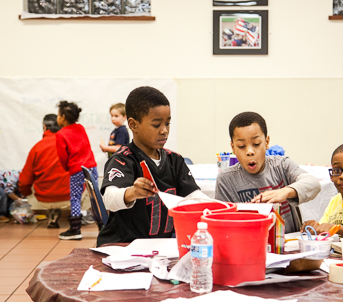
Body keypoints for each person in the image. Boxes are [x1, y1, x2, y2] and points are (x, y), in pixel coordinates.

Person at [97, 86, 209, 246]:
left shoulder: (174, 160)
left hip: (159, 247)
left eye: (168, 123)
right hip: (122, 246)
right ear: (133, 125)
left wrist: (218, 207)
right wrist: (132, 193)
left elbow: (194, 197)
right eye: (156, 125)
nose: (164, 130)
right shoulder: (123, 159)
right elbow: (109, 199)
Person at [215, 112, 321, 233]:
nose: (250, 152)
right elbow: (222, 223)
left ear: (266, 142)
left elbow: (313, 183)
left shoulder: (281, 165)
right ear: (233, 147)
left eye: (256, 144)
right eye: (241, 146)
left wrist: (285, 192)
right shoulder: (226, 179)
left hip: (288, 243)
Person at [19, 114, 71, 228]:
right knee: (88, 181)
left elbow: (25, 180)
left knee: (29, 183)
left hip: (44, 198)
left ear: (44, 126)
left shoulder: (37, 147)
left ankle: (52, 211)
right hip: (70, 196)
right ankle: (83, 215)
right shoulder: (70, 144)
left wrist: (26, 193)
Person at [55, 101, 98, 240]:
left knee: (75, 197)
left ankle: (75, 229)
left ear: (62, 116)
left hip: (76, 169)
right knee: (95, 197)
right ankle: (103, 226)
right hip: (91, 166)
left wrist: (67, 167)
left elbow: (63, 156)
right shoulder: (80, 128)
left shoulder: (61, 134)